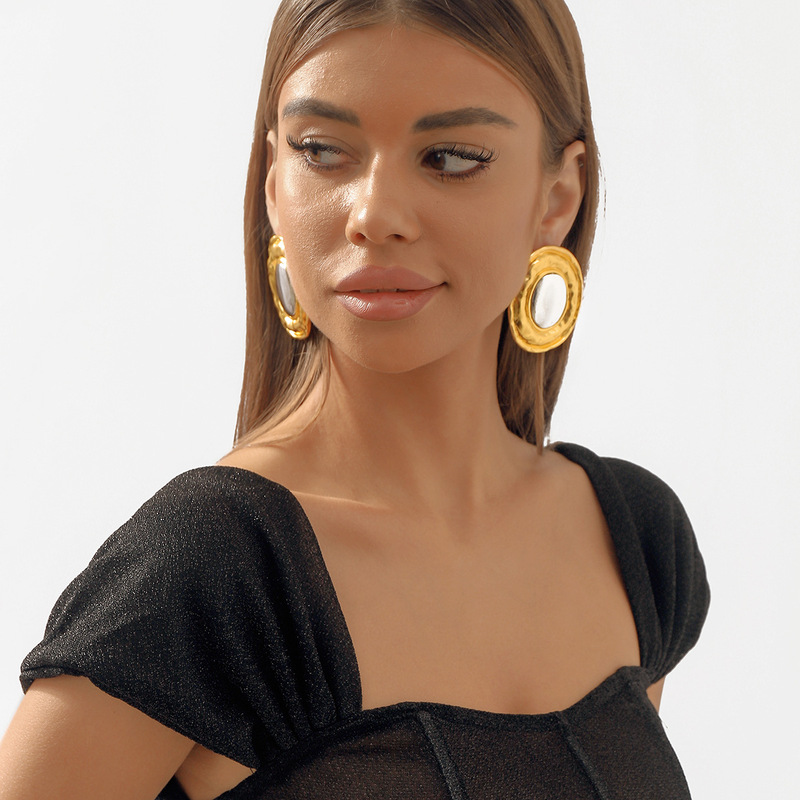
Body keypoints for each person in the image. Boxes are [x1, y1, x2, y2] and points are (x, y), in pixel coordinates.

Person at [0, 1, 710, 798]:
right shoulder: (214, 571)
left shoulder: (636, 539)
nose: (374, 215)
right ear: (274, 183)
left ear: (558, 196)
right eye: (322, 151)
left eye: (450, 157)